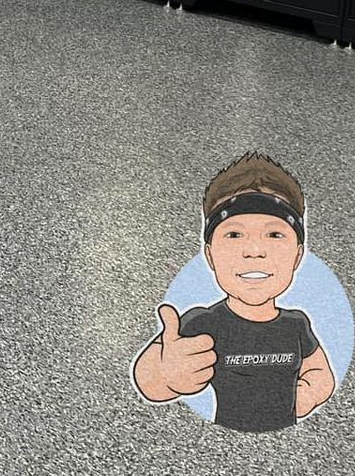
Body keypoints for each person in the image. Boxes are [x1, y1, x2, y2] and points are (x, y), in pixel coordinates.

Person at [132, 152, 336, 432]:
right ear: (210, 255)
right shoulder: (204, 323)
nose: (254, 251)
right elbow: (151, 378)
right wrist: (166, 375)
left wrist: (312, 391)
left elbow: (319, 370)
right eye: (234, 235)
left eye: (275, 235)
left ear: (298, 256)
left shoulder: (296, 323)